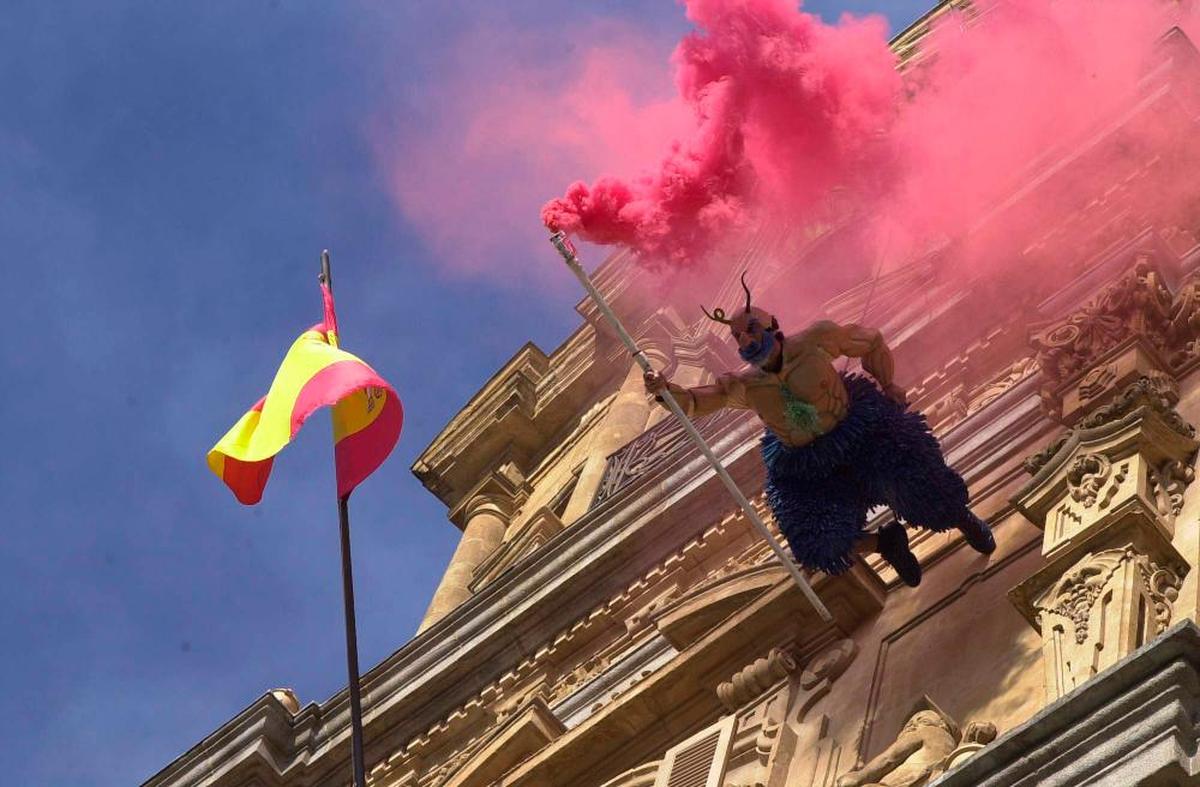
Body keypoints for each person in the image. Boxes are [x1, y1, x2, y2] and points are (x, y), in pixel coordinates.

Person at [643, 275, 994, 586]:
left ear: (771, 325)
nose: (746, 339)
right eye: (737, 336)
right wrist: (665, 389)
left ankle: (961, 519)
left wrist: (888, 384)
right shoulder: (745, 385)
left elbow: (870, 341)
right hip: (806, 467)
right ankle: (885, 543)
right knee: (814, 541)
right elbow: (696, 401)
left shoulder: (815, 341)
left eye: (750, 328)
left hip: (861, 434)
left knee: (922, 485)